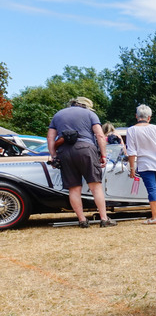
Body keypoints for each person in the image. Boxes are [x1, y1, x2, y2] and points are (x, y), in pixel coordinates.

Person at [46, 96, 117, 228]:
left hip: (65, 152)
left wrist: (54, 155)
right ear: (86, 106)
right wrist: (103, 154)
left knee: (74, 188)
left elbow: (50, 137)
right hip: (86, 149)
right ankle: (104, 219)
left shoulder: (58, 115)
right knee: (95, 186)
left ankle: (82, 220)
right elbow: (100, 135)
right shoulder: (90, 114)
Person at [125, 105, 156, 225]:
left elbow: (131, 152)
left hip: (145, 164)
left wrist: (131, 168)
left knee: (152, 190)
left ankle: (155, 217)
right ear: (149, 117)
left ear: (136, 116)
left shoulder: (131, 130)